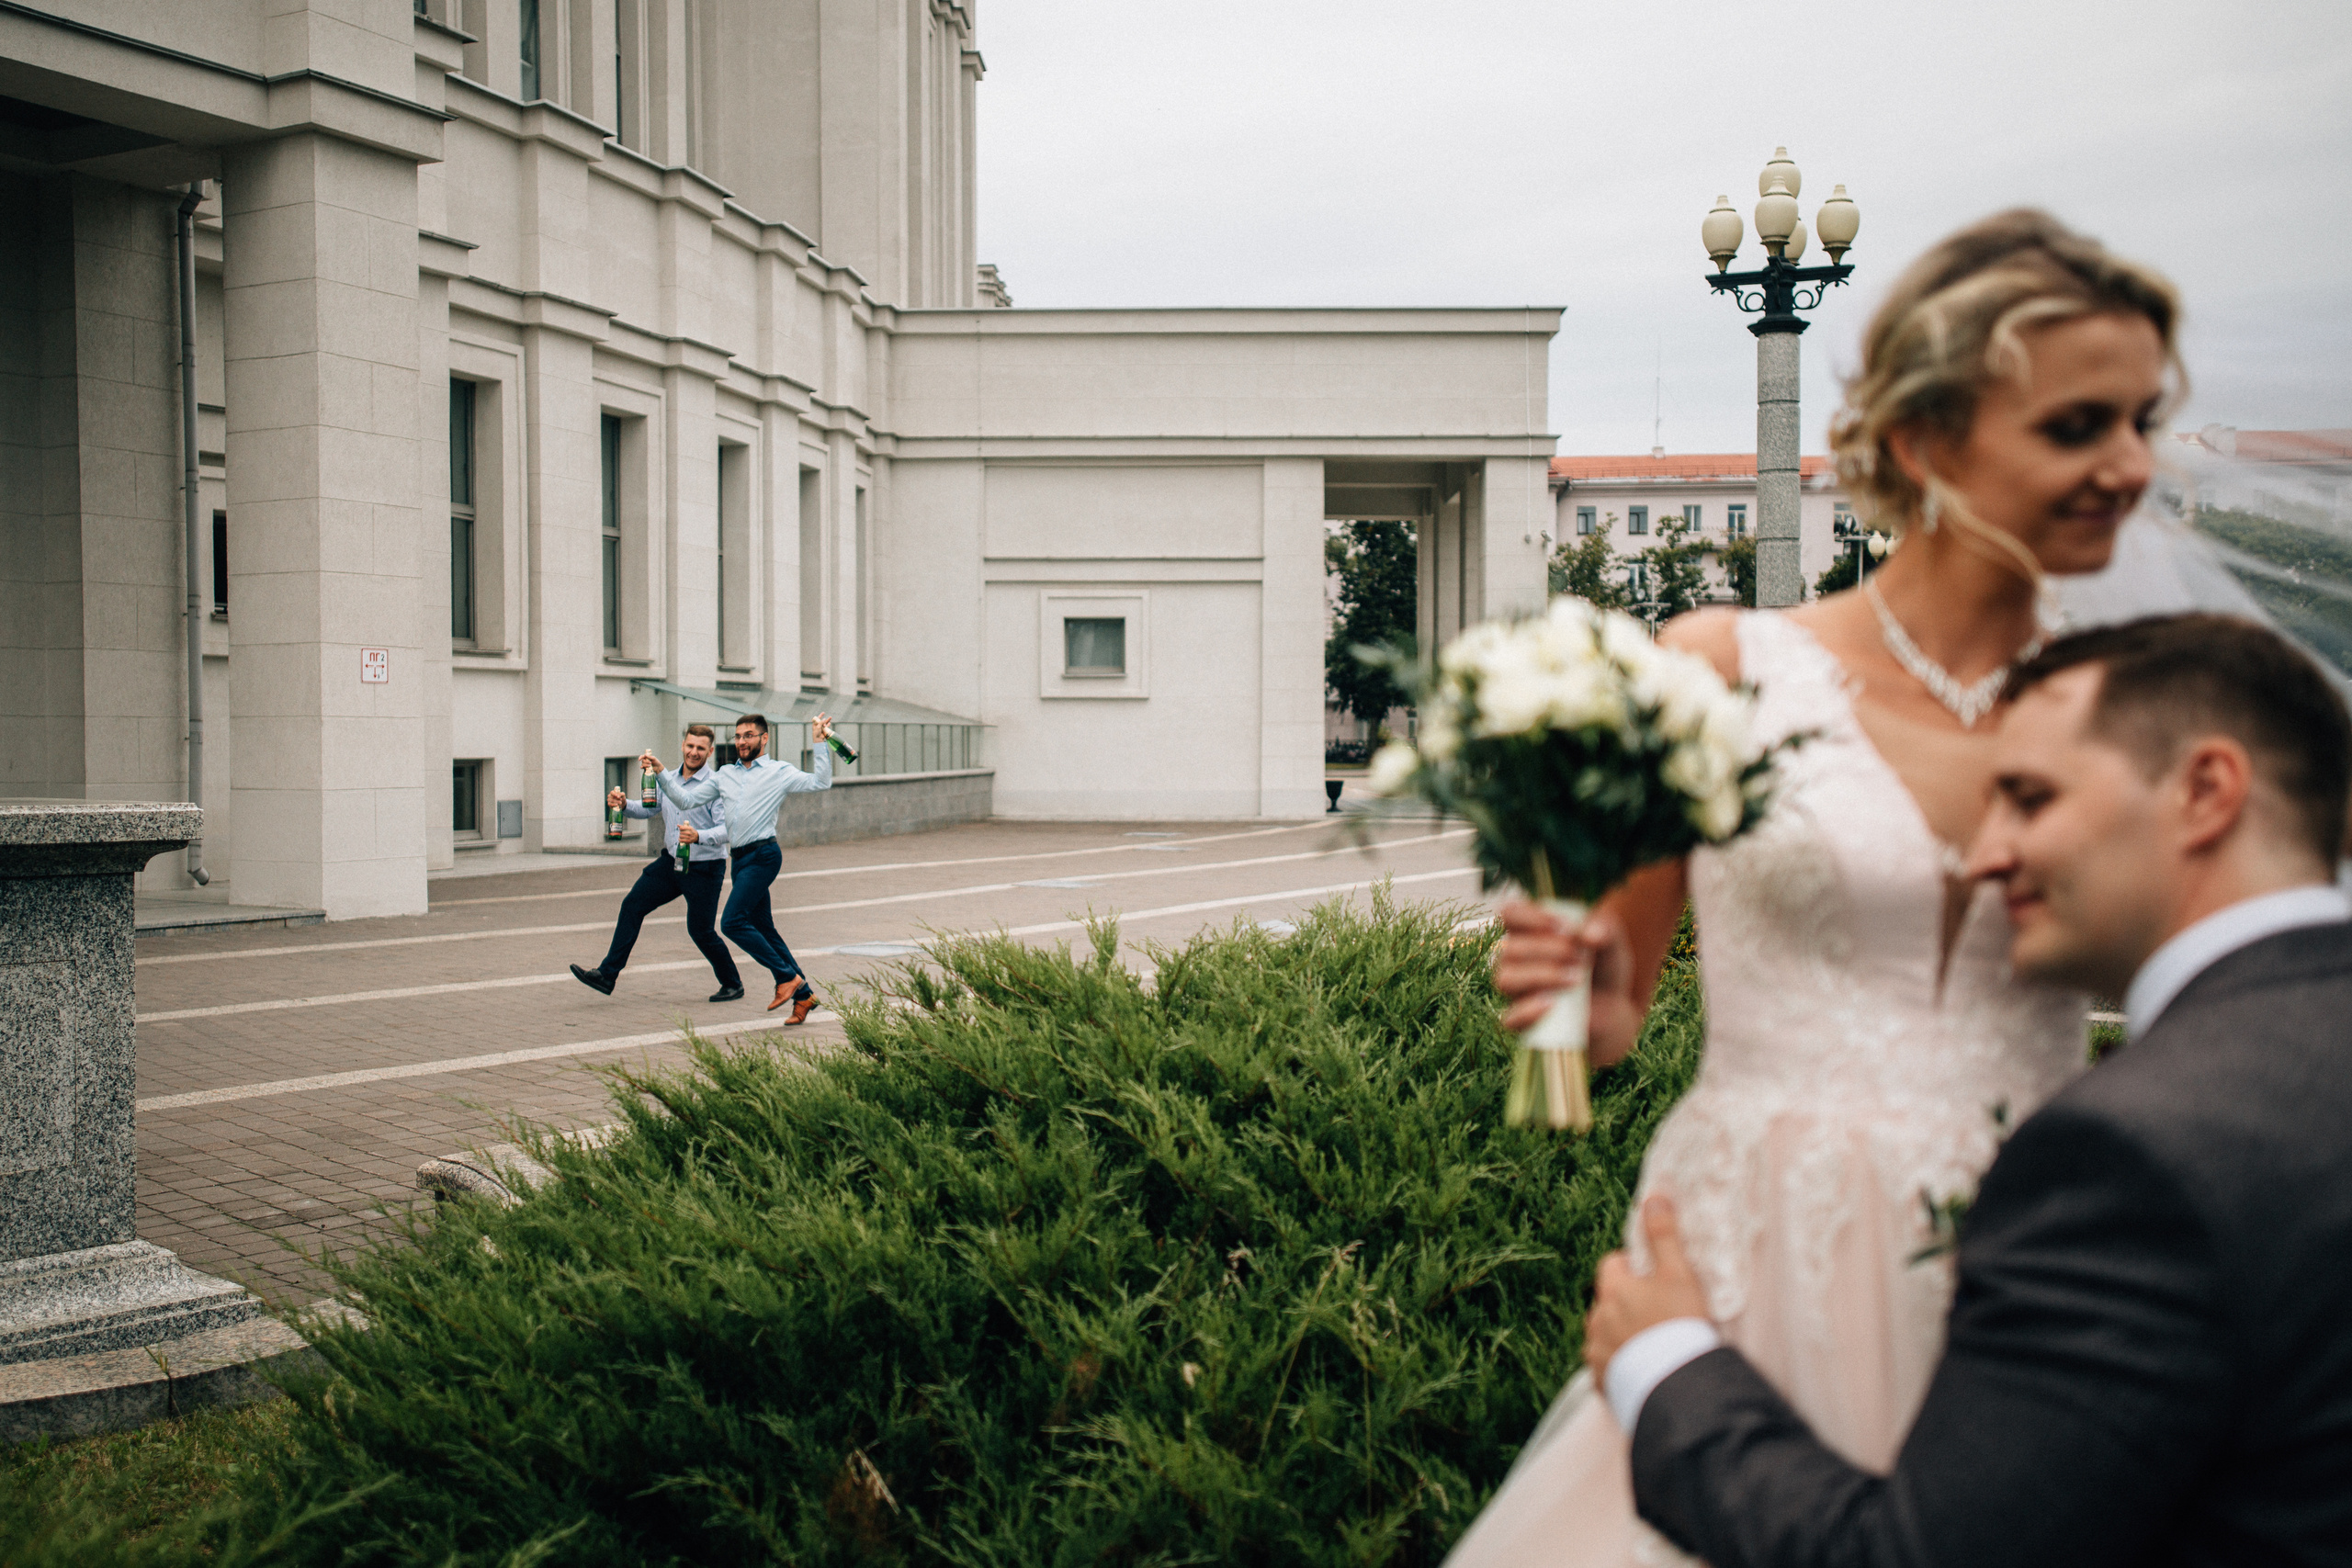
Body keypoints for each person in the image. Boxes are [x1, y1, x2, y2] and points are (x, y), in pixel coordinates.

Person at [1445, 210, 2188, 1567]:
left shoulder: (2147, 707)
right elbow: (1606, 1014)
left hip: (2049, 1252)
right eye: (2082, 425)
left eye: (2144, 419)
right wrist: (1585, 991)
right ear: (1926, 439)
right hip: (1767, 1237)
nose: (2131, 466)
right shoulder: (1726, 664)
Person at [1589, 613, 2352, 1565]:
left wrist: (1665, 1361)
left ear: (2205, 791)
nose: (1981, 858)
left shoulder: (2136, 1158)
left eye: (2028, 799)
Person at [645, 711, 833, 1019]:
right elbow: (684, 801)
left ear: (764, 738)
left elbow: (821, 782)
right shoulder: (724, 775)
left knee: (731, 922)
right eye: (738, 736)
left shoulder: (778, 771)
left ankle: (787, 977)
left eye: (749, 735)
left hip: (764, 855)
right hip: (740, 859)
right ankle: (804, 996)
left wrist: (819, 741)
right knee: (764, 929)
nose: (742, 741)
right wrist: (662, 771)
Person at [570, 723, 742, 1002]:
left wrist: (699, 836)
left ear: (710, 751)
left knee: (700, 930)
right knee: (632, 905)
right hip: (671, 862)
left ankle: (733, 983)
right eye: (690, 745)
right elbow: (650, 808)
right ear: (683, 745)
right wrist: (625, 805)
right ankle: (606, 975)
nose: (694, 752)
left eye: (701, 748)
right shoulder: (668, 778)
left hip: (704, 868)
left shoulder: (716, 786)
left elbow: (727, 831)